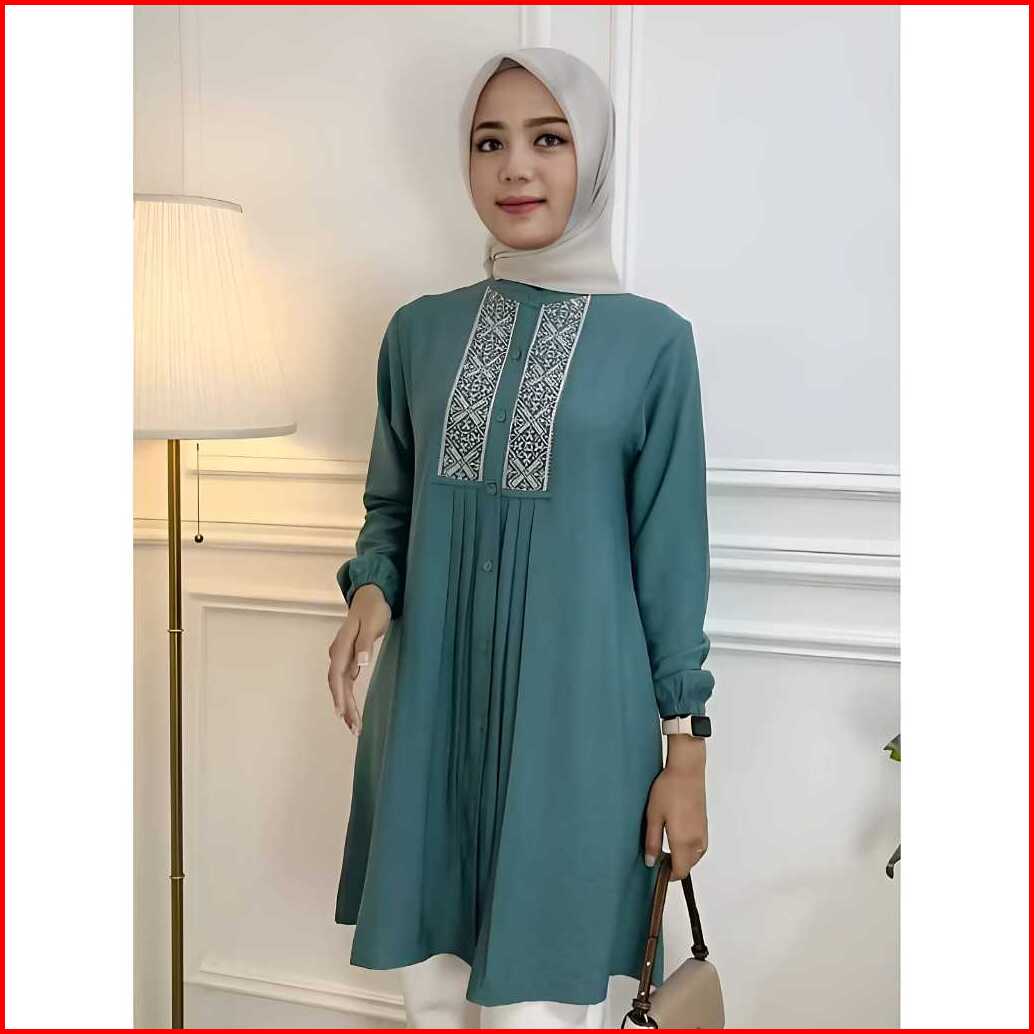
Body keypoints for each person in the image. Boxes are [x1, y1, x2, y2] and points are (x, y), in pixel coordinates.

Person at [327, 46, 715, 1028]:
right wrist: (370, 586)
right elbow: (391, 505)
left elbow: (670, 562)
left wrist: (686, 757)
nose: (515, 168)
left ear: (593, 156)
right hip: (428, 723)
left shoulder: (653, 343)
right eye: (488, 142)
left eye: (548, 139)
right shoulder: (418, 332)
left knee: (539, 1009)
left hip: (575, 734)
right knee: (432, 1004)